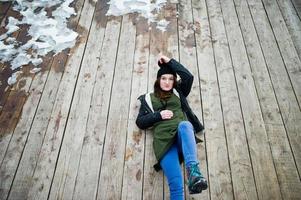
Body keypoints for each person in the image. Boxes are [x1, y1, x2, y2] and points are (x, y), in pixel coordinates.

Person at [136, 55, 208, 199]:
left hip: (182, 137)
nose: (167, 82)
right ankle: (190, 180)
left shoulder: (178, 92)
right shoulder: (148, 98)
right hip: (164, 143)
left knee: (185, 125)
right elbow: (140, 122)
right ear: (158, 80)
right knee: (176, 187)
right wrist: (158, 115)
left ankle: (193, 172)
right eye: (163, 78)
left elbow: (188, 77)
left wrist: (169, 61)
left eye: (170, 79)